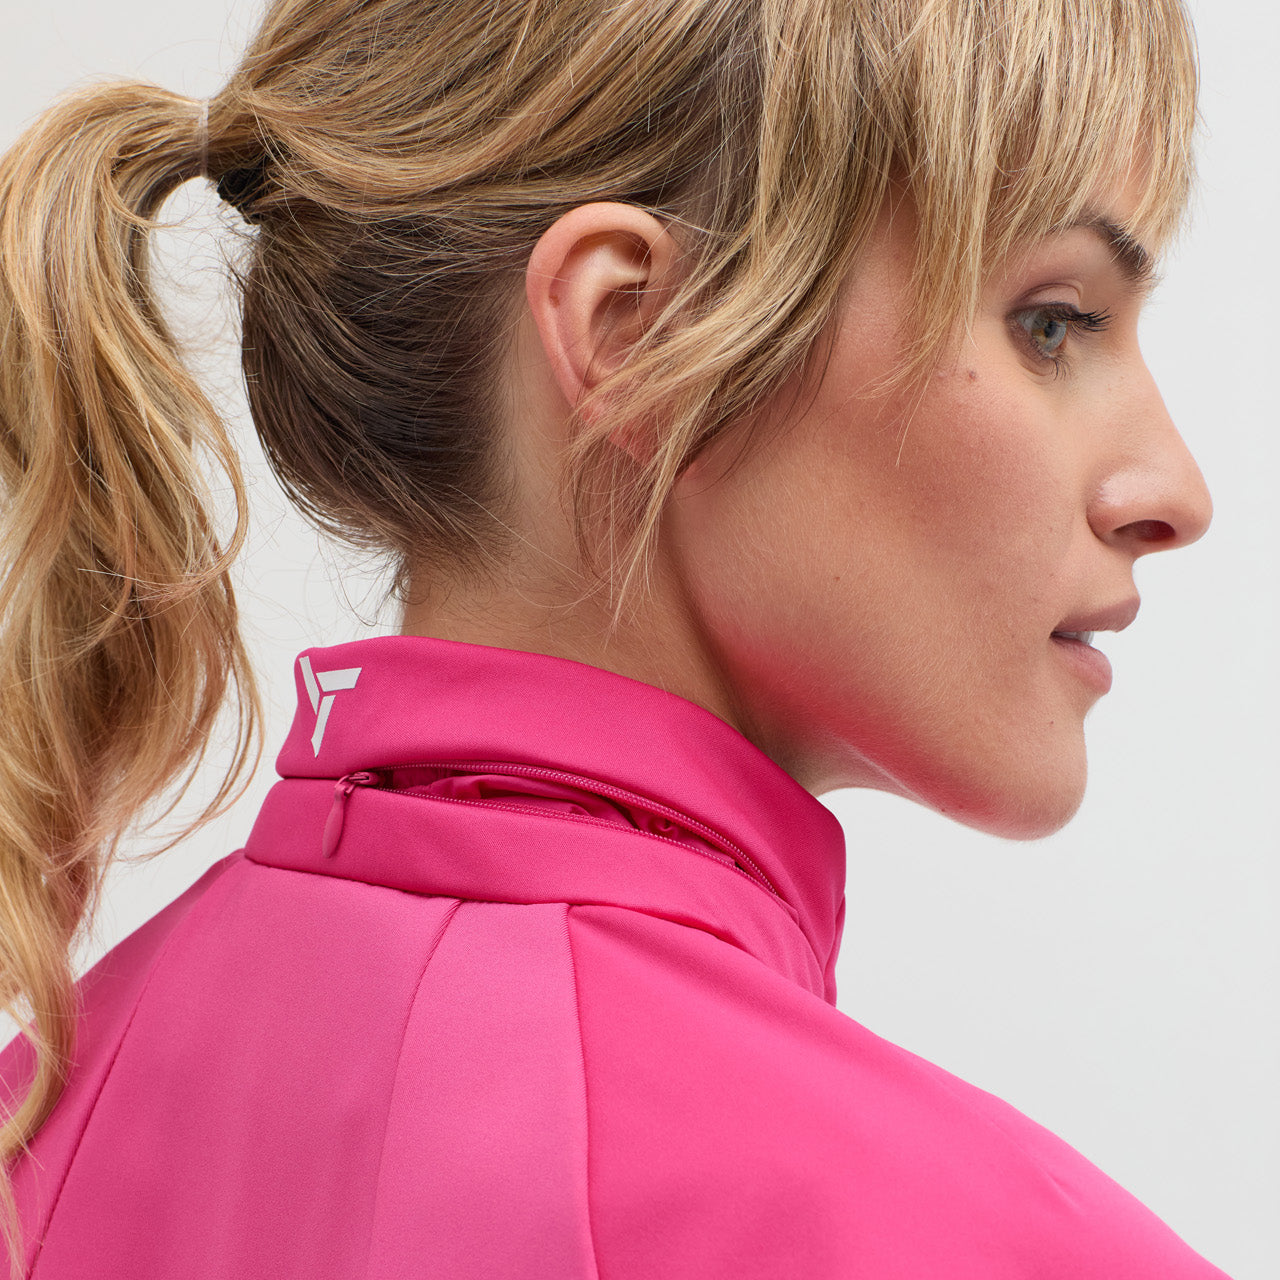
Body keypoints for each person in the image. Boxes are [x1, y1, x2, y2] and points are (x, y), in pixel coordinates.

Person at [0, 0, 1232, 1275]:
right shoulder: (990, 1244)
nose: (1174, 491)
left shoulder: (32, 1132)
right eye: (1051, 321)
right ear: (640, 341)